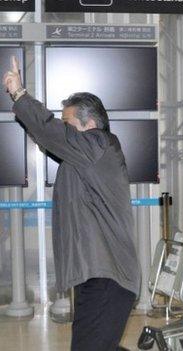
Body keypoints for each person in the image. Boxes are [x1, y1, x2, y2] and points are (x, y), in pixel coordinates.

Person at [3, 57, 139, 350]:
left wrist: (20, 95)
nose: (63, 130)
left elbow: (51, 132)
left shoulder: (100, 145)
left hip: (107, 277)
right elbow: (51, 139)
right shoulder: (84, 158)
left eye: (67, 123)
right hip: (97, 277)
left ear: (88, 124)